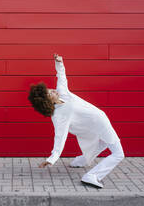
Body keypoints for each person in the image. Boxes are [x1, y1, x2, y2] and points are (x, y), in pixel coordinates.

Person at [27, 53, 125, 188]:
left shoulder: (62, 92)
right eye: (50, 93)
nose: (54, 90)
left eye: (50, 89)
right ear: (48, 102)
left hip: (98, 122)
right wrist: (52, 158)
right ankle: (92, 176)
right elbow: (59, 137)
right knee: (119, 154)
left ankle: (80, 161)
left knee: (103, 143)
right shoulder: (59, 115)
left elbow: (61, 76)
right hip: (100, 124)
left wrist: (59, 62)